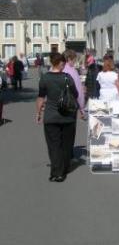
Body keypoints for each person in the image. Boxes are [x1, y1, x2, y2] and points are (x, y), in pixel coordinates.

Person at [36, 52, 78, 182]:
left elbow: (41, 97)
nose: (64, 65)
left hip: (50, 116)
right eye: (63, 63)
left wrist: (38, 113)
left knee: (53, 145)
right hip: (68, 117)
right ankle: (63, 169)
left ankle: (56, 172)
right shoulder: (67, 77)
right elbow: (75, 94)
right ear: (60, 63)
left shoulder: (45, 78)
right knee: (66, 145)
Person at [63, 49, 85, 119]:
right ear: (69, 59)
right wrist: (81, 108)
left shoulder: (55, 68)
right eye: (74, 60)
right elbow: (78, 91)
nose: (75, 62)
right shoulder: (72, 71)